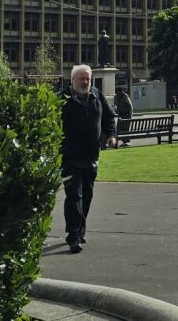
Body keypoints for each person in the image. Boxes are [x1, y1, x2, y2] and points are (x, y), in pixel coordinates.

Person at [59, 64, 116, 253]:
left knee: (87, 197)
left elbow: (109, 118)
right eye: (81, 79)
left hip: (91, 156)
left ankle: (80, 231)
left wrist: (111, 135)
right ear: (72, 80)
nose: (85, 82)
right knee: (74, 196)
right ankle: (73, 236)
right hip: (70, 157)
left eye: (88, 79)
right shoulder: (62, 99)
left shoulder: (97, 95)